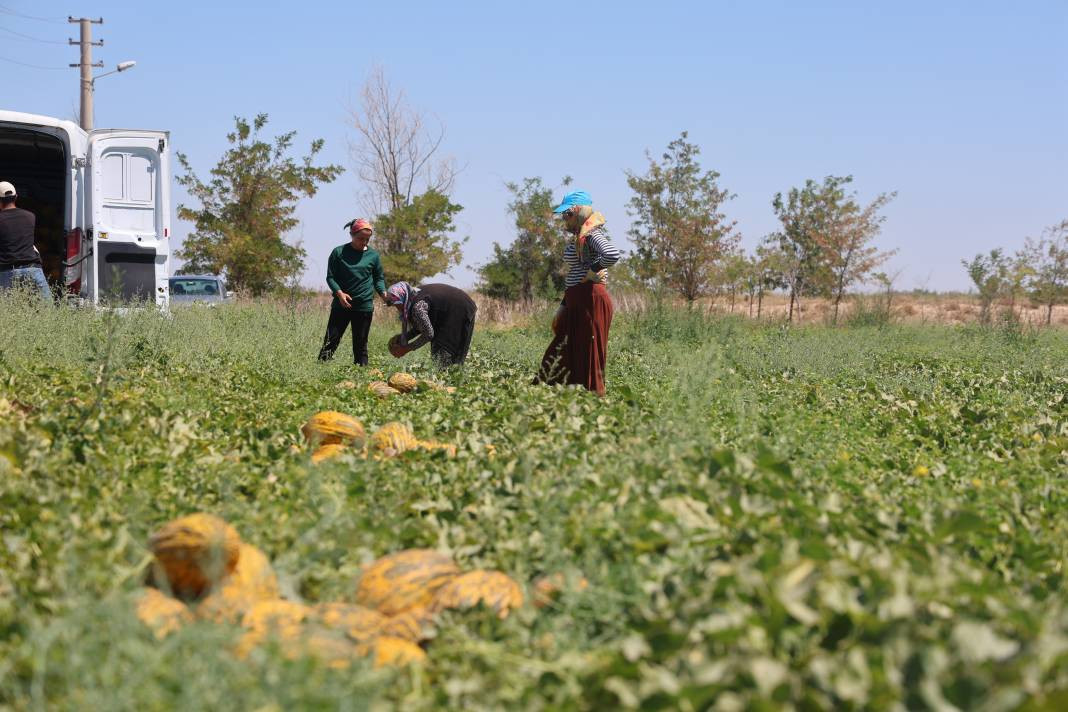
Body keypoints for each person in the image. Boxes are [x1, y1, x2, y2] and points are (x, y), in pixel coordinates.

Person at [534, 190, 620, 396]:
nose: (565, 219)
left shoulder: (591, 234)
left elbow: (612, 254)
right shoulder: (579, 237)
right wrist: (563, 306)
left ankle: (592, 398)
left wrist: (593, 270)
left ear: (579, 212)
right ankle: (557, 396)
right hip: (576, 300)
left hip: (591, 299)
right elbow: (575, 274)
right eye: (564, 215)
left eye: (568, 214)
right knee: (562, 349)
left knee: (588, 351)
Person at [318, 218, 387, 366]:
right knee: (331, 341)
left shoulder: (373, 256)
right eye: (361, 238)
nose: (364, 242)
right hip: (341, 305)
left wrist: (384, 294)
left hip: (364, 306)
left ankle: (361, 374)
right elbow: (330, 277)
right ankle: (321, 370)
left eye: (367, 239)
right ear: (352, 235)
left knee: (361, 344)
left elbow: (378, 278)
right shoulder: (338, 252)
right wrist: (339, 293)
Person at [385, 281, 477, 368]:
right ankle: (451, 375)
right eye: (393, 305)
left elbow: (428, 334)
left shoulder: (417, 307)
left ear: (403, 298)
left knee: (444, 353)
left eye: (397, 304)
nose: (396, 307)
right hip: (454, 309)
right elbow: (421, 326)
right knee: (442, 357)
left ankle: (450, 375)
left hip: (458, 310)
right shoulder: (412, 297)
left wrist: (406, 349)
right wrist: (404, 337)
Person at [0, 181, 52, 303]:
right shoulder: (30, 216)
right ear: (16, 197)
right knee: (47, 310)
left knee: (6, 311)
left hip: (7, 272)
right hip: (33, 270)